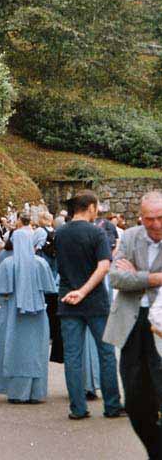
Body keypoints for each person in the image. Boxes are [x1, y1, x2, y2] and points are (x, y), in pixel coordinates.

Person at [55, 190, 124, 420]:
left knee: (73, 356)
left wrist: (75, 291)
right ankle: (112, 405)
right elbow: (104, 266)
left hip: (67, 299)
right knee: (106, 353)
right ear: (91, 207)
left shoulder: (60, 233)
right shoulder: (97, 233)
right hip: (94, 301)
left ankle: (78, 407)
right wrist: (84, 291)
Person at [104, 190, 162, 456]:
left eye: (161, 218)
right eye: (149, 219)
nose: (156, 225)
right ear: (141, 217)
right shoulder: (128, 237)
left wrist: (136, 275)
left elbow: (127, 277)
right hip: (131, 324)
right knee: (136, 401)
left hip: (160, 327)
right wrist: (153, 278)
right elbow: (116, 278)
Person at [0, 230, 57, 403]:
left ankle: (15, 392)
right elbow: (50, 288)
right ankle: (36, 392)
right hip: (37, 314)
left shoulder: (7, 264)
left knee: (12, 349)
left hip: (12, 312)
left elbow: (1, 290)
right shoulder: (40, 263)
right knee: (35, 351)